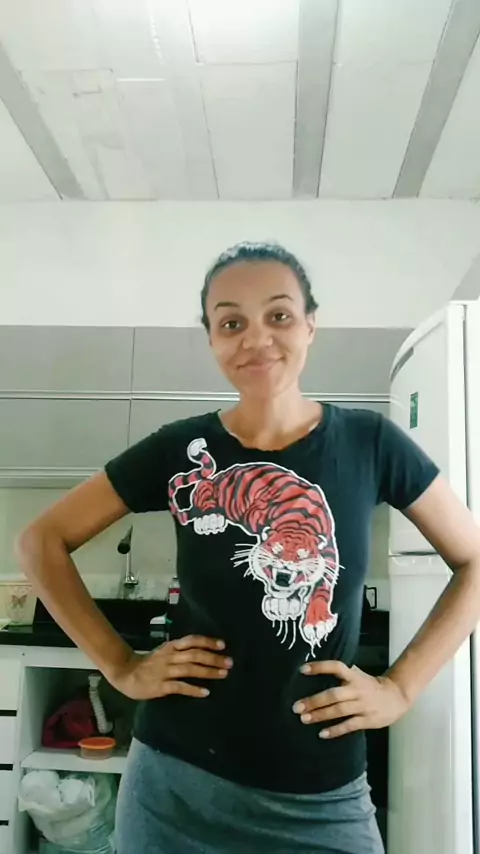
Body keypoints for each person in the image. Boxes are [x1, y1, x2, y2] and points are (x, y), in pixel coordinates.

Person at [16, 242, 480, 854]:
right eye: (231, 322)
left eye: (279, 315)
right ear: (211, 338)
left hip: (323, 797)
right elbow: (40, 540)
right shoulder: (178, 447)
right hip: (175, 789)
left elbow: (474, 561)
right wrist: (120, 664)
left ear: (310, 325)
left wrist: (400, 688)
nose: (256, 338)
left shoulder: (370, 442)